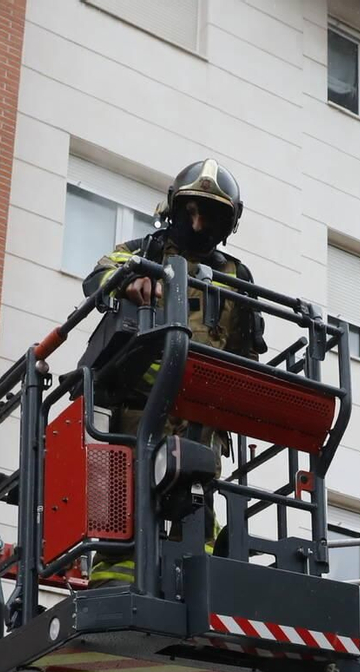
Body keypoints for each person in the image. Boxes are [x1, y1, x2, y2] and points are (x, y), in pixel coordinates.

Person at [79, 158, 262, 587]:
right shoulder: (144, 251)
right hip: (135, 409)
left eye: (210, 216)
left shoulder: (237, 278)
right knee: (122, 501)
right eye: (190, 212)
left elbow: (247, 353)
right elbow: (97, 276)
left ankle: (195, 587)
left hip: (199, 415)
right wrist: (128, 279)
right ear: (173, 209)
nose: (197, 225)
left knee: (196, 511)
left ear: (226, 225)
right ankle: (114, 586)